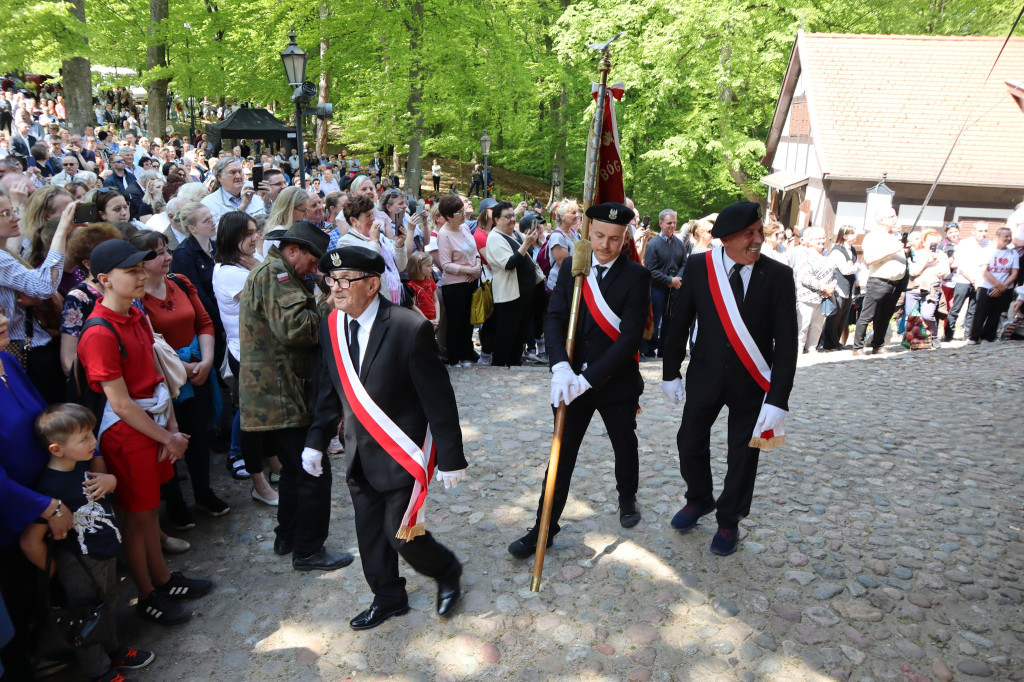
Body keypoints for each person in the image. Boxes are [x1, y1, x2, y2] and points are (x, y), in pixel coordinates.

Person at [304, 246, 467, 629]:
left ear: (373, 284)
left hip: (402, 449)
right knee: (369, 533)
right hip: (359, 451)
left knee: (402, 536)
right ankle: (388, 597)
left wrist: (451, 455)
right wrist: (316, 439)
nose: (335, 289)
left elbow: (438, 397)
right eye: (331, 280)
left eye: (345, 281)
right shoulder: (332, 325)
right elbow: (330, 389)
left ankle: (446, 570)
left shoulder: (409, 327)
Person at [77, 240, 213, 625]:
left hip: (152, 427)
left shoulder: (135, 314)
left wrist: (171, 426)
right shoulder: (99, 332)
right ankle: (148, 594)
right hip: (128, 434)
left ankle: (164, 579)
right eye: (132, 271)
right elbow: (119, 404)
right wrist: (166, 437)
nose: (142, 275)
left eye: (142, 268)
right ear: (104, 280)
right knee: (136, 521)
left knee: (151, 514)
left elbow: (155, 376)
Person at [508, 202, 652, 559]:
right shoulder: (575, 267)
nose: (605, 245)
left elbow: (630, 338)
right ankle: (544, 526)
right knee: (561, 454)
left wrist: (589, 378)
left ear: (625, 239)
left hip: (613, 382)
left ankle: (627, 496)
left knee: (624, 443)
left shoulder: (637, 276)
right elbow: (555, 319)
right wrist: (559, 366)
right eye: (599, 236)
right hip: (570, 381)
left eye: (615, 239)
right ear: (589, 232)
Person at [661, 201, 798, 556]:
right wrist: (669, 372)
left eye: (759, 232)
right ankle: (699, 498)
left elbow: (786, 344)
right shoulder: (697, 266)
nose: (758, 241)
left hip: (754, 382)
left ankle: (728, 519)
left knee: (743, 455)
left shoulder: (778, 275)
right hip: (705, 374)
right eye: (748, 235)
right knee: (688, 441)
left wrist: (779, 399)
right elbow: (678, 323)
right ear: (726, 239)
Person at [239, 221, 351, 571]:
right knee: (313, 470)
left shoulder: (279, 273)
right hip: (282, 394)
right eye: (313, 260)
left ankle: (289, 536)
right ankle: (308, 551)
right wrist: (330, 301)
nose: (315, 268)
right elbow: (297, 330)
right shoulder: (277, 276)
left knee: (293, 470)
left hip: (281, 391)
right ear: (293, 251)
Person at [20, 404, 156, 682]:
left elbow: (103, 490)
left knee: (107, 604)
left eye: (91, 433)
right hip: (79, 567)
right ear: (57, 449)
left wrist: (112, 480)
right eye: (84, 438)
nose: (93, 441)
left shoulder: (80, 466)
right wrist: (58, 569)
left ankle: (114, 650)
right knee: (86, 618)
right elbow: (30, 541)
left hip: (104, 557)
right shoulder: (49, 489)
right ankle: (100, 672)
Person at [131, 229, 229, 528]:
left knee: (197, 435)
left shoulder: (180, 283)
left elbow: (204, 322)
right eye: (159, 253)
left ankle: (203, 492)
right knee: (169, 439)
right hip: (164, 375)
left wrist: (208, 360)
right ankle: (174, 502)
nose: (168, 257)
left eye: (166, 250)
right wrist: (182, 368)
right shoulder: (136, 299)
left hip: (198, 369)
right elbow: (147, 342)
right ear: (140, 262)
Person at [0, 309, 76, 679]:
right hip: (12, 517)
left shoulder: (6, 360)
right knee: (19, 599)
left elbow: (44, 421)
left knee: (44, 589)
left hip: (43, 500)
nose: (3, 318)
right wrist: (44, 505)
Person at [212, 212, 281, 495]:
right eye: (249, 234)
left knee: (271, 416)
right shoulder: (229, 272)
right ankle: (258, 483)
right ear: (232, 238)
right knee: (254, 420)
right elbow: (275, 293)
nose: (256, 238)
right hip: (248, 355)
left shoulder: (249, 264)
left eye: (256, 231)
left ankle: (276, 466)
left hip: (266, 350)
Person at [0, 195, 76, 403]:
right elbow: (43, 286)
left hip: (31, 347)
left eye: (13, 211)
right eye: (6, 214)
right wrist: (61, 231)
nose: (15, 217)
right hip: (24, 351)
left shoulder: (5, 253)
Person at [486, 202, 544, 366]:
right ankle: (500, 365)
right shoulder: (495, 238)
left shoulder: (515, 233)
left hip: (524, 292)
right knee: (507, 331)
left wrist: (529, 240)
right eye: (508, 216)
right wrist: (526, 244)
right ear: (496, 219)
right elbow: (509, 264)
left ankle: (515, 362)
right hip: (509, 293)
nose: (512, 220)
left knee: (521, 330)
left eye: (513, 216)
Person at [852, 208, 907, 356]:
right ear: (881, 220)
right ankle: (858, 347)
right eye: (891, 216)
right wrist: (892, 250)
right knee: (867, 315)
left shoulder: (896, 235)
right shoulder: (873, 236)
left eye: (895, 215)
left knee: (885, 316)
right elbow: (869, 260)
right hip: (879, 281)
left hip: (895, 282)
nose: (894, 218)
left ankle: (878, 344)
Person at [337, 194, 409, 304]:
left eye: (372, 214)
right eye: (368, 216)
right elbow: (369, 267)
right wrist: (374, 242)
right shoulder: (346, 242)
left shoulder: (381, 237)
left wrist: (399, 245)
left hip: (394, 300)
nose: (373, 219)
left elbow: (401, 266)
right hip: (373, 303)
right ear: (353, 220)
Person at [436, 194, 482, 366]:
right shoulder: (444, 234)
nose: (463, 215)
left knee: (468, 321)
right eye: (459, 213)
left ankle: (467, 351)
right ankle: (454, 357)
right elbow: (446, 265)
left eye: (463, 211)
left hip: (472, 279)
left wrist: (477, 265)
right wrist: (469, 270)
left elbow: (474, 250)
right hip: (455, 285)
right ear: (448, 216)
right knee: (456, 322)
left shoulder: (464, 228)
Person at [643, 208, 688, 357]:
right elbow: (650, 270)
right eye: (669, 223)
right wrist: (669, 280)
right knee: (654, 319)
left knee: (670, 320)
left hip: (674, 289)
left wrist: (677, 280)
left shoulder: (679, 244)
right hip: (657, 289)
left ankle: (664, 349)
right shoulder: (653, 245)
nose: (672, 226)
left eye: (674, 222)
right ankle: (650, 349)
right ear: (661, 223)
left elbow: (684, 263)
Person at [791, 226, 836, 354]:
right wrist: (823, 287)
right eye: (818, 238)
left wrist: (832, 286)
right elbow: (804, 277)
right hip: (806, 295)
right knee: (802, 325)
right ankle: (798, 349)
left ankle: (812, 347)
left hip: (823, 296)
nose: (822, 241)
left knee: (817, 325)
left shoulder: (827, 253)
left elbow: (834, 273)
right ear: (810, 240)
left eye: (823, 238)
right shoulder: (804, 254)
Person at [969, 227, 1018, 343]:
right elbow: (984, 270)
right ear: (998, 237)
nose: (1008, 238)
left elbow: (1014, 273)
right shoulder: (988, 250)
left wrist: (1002, 288)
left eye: (1010, 236)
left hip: (1005, 288)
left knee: (996, 313)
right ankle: (974, 337)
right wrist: (998, 285)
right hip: (987, 286)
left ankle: (988, 336)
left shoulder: (1013, 253)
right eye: (1006, 236)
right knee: (981, 312)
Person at [946, 221, 991, 341]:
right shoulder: (965, 243)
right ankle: (948, 334)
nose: (983, 233)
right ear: (973, 231)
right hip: (963, 279)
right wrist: (971, 279)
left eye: (986, 231)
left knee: (973, 309)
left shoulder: (989, 244)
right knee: (956, 308)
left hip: (980, 281)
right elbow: (960, 264)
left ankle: (968, 334)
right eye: (980, 231)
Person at [200, 157, 266, 224]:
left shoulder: (254, 198)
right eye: (232, 172)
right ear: (220, 177)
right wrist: (242, 208)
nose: (238, 176)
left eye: (240, 172)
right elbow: (217, 232)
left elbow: (268, 226)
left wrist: (268, 201)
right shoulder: (209, 203)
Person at [101, 154, 145, 219]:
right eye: (119, 161)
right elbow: (109, 199)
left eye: (123, 160)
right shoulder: (109, 181)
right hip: (121, 212)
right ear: (112, 165)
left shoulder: (131, 175)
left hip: (135, 209)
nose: (123, 162)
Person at [407, 250, 440, 330]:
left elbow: (436, 301)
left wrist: (437, 319)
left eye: (431, 265)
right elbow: (413, 306)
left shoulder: (431, 282)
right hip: (419, 322)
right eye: (428, 266)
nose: (431, 268)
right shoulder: (411, 285)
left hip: (432, 321)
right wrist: (426, 320)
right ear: (418, 267)